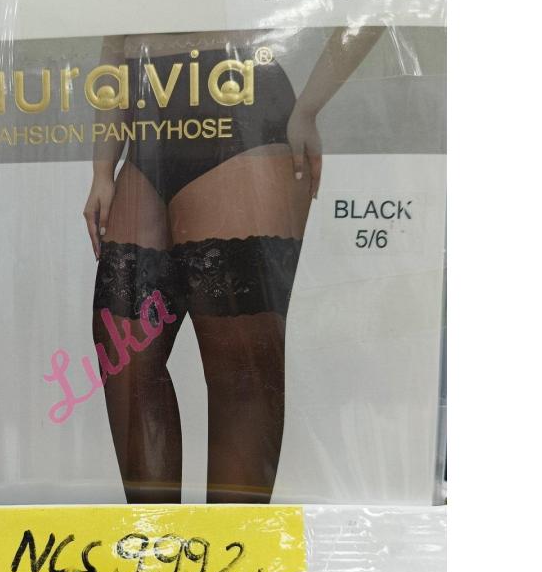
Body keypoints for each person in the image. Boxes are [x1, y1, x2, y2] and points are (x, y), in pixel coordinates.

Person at [84, 27, 384, 503]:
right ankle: (155, 540)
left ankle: (234, 545)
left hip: (243, 113)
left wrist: (308, 107)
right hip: (147, 125)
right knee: (124, 354)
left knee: (240, 364)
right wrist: (103, 167)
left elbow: (378, 0)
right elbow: (114, 43)